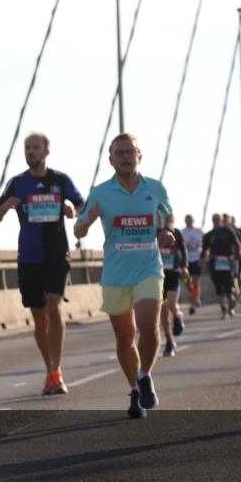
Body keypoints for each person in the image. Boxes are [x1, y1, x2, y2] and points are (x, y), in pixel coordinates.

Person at [73, 133, 174, 419]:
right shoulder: (101, 192)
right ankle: (134, 389)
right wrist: (88, 221)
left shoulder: (155, 188)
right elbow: (77, 230)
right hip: (116, 274)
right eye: (120, 152)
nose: (126, 156)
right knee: (124, 336)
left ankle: (145, 375)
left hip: (149, 269)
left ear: (139, 156)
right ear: (111, 159)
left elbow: (168, 216)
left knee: (148, 326)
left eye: (130, 152)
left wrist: (167, 231)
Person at [0, 132, 84, 394]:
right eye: (27, 148)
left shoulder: (60, 180)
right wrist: (6, 205)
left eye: (35, 147)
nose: (30, 152)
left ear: (46, 152)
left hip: (56, 254)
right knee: (40, 318)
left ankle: (56, 371)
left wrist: (72, 211)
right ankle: (49, 370)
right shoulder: (17, 183)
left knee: (53, 306)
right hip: (29, 257)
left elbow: (81, 203)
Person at [201, 213, 241, 320]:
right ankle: (224, 310)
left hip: (227, 262)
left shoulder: (228, 231)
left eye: (218, 219)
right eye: (214, 219)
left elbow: (237, 245)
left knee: (229, 287)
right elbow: (204, 249)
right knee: (218, 287)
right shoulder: (209, 235)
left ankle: (231, 303)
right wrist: (202, 259)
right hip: (215, 263)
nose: (216, 221)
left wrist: (236, 258)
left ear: (221, 220)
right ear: (212, 221)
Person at [160, 213, 188, 357]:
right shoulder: (152, 232)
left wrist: (184, 266)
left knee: (171, 304)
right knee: (162, 310)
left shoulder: (176, 232)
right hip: (157, 275)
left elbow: (183, 249)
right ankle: (169, 341)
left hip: (174, 272)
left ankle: (178, 315)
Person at [181, 215, 204, 314]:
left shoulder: (199, 232)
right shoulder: (182, 232)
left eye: (190, 219)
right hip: (186, 260)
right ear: (185, 221)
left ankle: (193, 303)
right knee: (187, 282)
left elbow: (205, 246)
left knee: (195, 281)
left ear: (193, 220)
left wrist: (203, 258)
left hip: (197, 259)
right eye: (187, 220)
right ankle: (195, 296)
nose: (189, 221)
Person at [223, 214, 241, 303]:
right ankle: (234, 293)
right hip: (226, 258)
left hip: (237, 257)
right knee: (230, 277)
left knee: (238, 275)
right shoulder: (222, 232)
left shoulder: (238, 231)